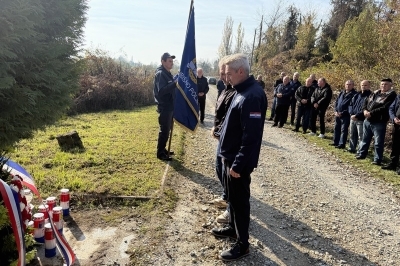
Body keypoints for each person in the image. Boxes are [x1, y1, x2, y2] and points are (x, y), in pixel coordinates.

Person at [211, 53, 267, 261]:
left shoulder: (252, 95)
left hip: (237, 162)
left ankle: (243, 245)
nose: (227, 78)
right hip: (229, 157)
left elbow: (250, 137)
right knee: (233, 200)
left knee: (240, 202)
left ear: (241, 71)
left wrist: (238, 164)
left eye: (229, 74)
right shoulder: (239, 90)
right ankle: (234, 231)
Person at [211, 57, 237, 223]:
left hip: (229, 140)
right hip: (221, 137)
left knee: (227, 174)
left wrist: (219, 130)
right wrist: (216, 128)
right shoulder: (226, 89)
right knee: (219, 169)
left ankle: (231, 210)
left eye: (225, 74)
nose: (223, 77)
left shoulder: (237, 92)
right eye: (221, 73)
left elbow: (231, 118)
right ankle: (226, 197)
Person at [356, 78, 397, 165]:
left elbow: (385, 107)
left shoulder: (392, 95)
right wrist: (364, 111)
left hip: (379, 121)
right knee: (365, 139)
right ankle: (362, 154)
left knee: (378, 142)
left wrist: (371, 113)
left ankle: (377, 159)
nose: (383, 86)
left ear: (390, 85)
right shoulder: (375, 93)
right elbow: (365, 102)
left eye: (386, 84)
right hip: (367, 120)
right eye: (382, 84)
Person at [153, 52, 177, 161]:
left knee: (168, 129)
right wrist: (174, 84)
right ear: (163, 62)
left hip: (170, 106)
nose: (172, 63)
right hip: (165, 106)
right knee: (164, 130)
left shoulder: (168, 73)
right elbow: (161, 91)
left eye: (172, 61)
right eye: (169, 61)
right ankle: (160, 153)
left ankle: (164, 149)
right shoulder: (161, 74)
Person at [329, 80, 356, 148]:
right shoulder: (342, 92)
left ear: (353, 85)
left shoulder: (354, 94)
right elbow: (337, 102)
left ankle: (342, 144)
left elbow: (351, 106)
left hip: (345, 115)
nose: (348, 85)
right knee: (336, 128)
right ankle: (335, 142)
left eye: (350, 84)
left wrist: (342, 113)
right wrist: (335, 111)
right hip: (337, 114)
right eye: (347, 84)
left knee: (344, 130)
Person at [348, 80, 372, 153]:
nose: (363, 87)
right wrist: (351, 113)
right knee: (352, 134)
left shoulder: (370, 95)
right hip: (352, 118)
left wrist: (357, 115)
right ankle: (352, 148)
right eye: (362, 85)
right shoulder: (357, 94)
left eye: (365, 85)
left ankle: (360, 150)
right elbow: (351, 104)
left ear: (369, 86)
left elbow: (367, 108)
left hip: (361, 119)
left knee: (361, 136)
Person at [382, 93, 400, 173]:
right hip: (397, 124)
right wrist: (394, 118)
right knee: (395, 145)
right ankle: (393, 164)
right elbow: (391, 108)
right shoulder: (399, 96)